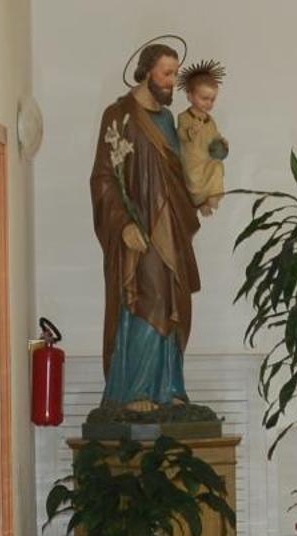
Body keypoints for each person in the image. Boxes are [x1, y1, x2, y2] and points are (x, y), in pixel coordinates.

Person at [90, 42, 204, 410]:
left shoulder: (168, 120)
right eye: (167, 73)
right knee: (147, 300)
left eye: (175, 74)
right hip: (142, 230)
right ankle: (135, 390)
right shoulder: (119, 115)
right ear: (146, 71)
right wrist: (123, 223)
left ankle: (169, 387)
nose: (173, 81)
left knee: (173, 302)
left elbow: (179, 172)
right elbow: (104, 178)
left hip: (172, 227)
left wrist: (201, 189)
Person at [177, 59, 229, 217]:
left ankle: (210, 199)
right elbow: (180, 134)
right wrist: (191, 132)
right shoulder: (185, 117)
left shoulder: (210, 121)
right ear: (190, 96)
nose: (209, 103)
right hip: (192, 163)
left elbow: (215, 136)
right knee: (194, 182)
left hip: (206, 161)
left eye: (212, 99)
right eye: (204, 98)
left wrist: (222, 143)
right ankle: (200, 203)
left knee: (218, 167)